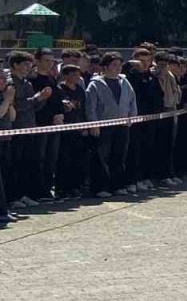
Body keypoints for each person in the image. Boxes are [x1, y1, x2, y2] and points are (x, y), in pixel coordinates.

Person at [86, 53, 137, 198]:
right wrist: (93, 124)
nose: (118, 68)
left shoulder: (125, 82)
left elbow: (132, 101)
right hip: (103, 125)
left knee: (119, 156)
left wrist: (132, 118)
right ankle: (101, 187)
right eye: (114, 65)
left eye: (119, 65)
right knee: (101, 157)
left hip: (122, 125)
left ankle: (118, 185)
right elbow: (91, 107)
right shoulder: (95, 84)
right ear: (105, 66)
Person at [8, 51, 50, 208]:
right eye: (24, 64)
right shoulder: (10, 83)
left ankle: (23, 194)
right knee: (15, 164)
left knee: (27, 163)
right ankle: (12, 197)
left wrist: (42, 99)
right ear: (15, 65)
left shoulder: (27, 83)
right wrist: (35, 99)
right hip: (16, 129)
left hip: (29, 128)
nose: (28, 67)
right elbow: (16, 105)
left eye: (29, 64)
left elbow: (33, 107)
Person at [124, 48, 161, 193]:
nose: (144, 64)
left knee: (148, 148)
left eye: (147, 61)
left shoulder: (152, 77)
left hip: (149, 119)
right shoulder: (130, 76)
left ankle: (145, 177)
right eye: (141, 61)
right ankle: (132, 179)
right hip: (134, 118)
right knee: (134, 150)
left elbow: (157, 96)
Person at [29, 48, 63, 203]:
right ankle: (38, 191)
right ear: (37, 61)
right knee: (39, 158)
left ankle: (48, 189)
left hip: (53, 125)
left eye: (52, 61)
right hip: (38, 124)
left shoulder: (51, 79)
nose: (49, 64)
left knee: (52, 159)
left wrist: (60, 113)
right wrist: (40, 98)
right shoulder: (32, 79)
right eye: (46, 61)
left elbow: (57, 100)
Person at [54, 65, 88, 200]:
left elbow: (83, 108)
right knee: (64, 160)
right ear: (66, 75)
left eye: (78, 74)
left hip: (78, 130)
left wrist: (85, 126)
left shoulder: (80, 89)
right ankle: (62, 189)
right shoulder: (60, 89)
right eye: (73, 74)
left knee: (77, 160)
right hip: (65, 130)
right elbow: (61, 106)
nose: (77, 77)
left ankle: (75, 187)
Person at [153, 52, 182, 187]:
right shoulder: (155, 76)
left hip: (172, 110)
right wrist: (160, 77)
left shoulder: (171, 76)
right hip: (161, 112)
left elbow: (176, 92)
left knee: (170, 144)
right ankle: (162, 174)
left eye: (167, 64)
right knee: (161, 145)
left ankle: (170, 173)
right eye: (162, 64)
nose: (165, 67)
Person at [0, 71, 20, 225]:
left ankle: (5, 206)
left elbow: (12, 117)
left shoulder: (4, 96)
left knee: (6, 173)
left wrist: (10, 102)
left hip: (7, 139)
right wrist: (6, 100)